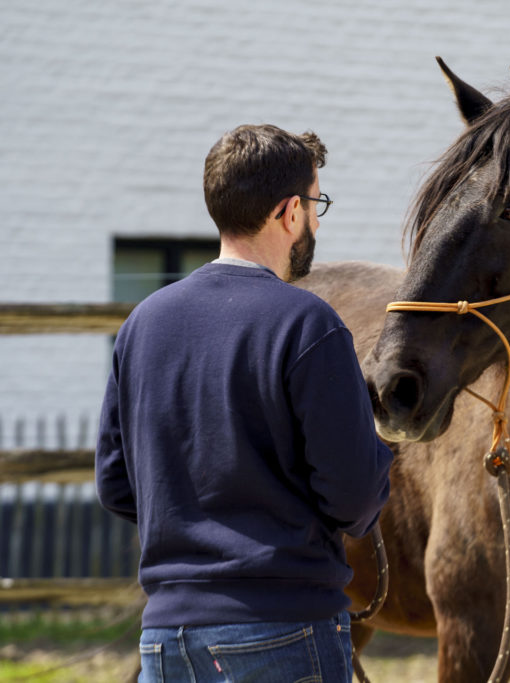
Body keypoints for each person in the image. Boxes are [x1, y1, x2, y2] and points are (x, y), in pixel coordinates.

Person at [95, 124, 393, 682]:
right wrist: (383, 447)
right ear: (289, 213)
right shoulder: (308, 324)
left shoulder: (142, 324)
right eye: (315, 203)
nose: (317, 221)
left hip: (164, 638)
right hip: (285, 629)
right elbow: (352, 497)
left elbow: (116, 484)